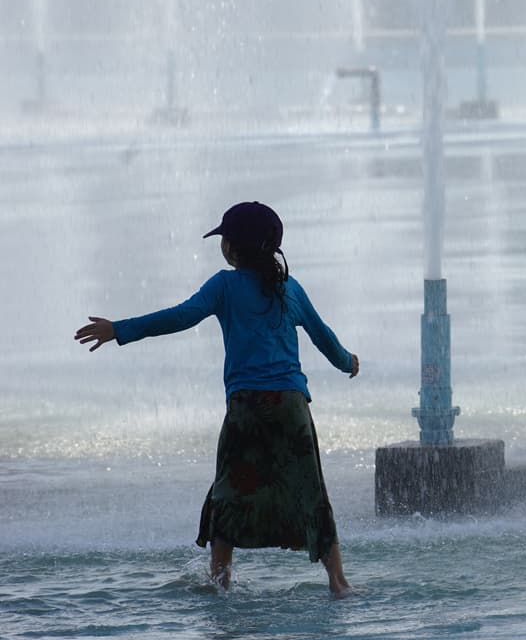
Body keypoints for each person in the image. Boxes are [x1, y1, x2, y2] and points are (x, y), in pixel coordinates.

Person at [74, 202, 359, 598]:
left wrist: (119, 329)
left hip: (245, 408)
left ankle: (220, 581)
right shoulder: (289, 288)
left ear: (233, 247)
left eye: (224, 238)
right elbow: (322, 335)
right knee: (310, 490)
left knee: (228, 491)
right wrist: (348, 362)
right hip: (291, 405)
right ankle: (338, 582)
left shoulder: (223, 286)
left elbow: (180, 316)